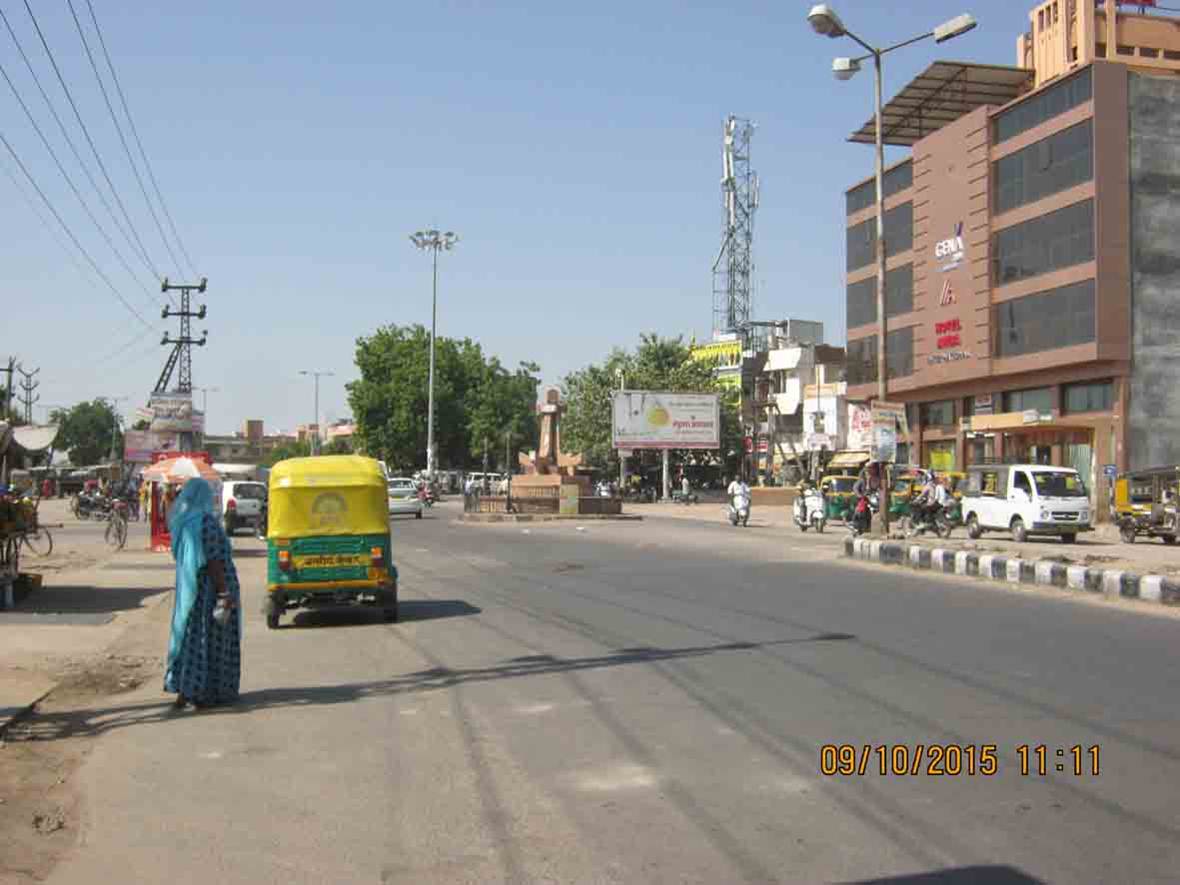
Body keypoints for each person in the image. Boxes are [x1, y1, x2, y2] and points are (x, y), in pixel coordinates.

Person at [164, 478, 241, 709]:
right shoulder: (205, 523)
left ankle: (185, 690)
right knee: (212, 640)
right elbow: (214, 561)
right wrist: (224, 592)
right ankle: (206, 691)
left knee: (191, 639)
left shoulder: (182, 522)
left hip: (191, 592)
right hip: (210, 592)